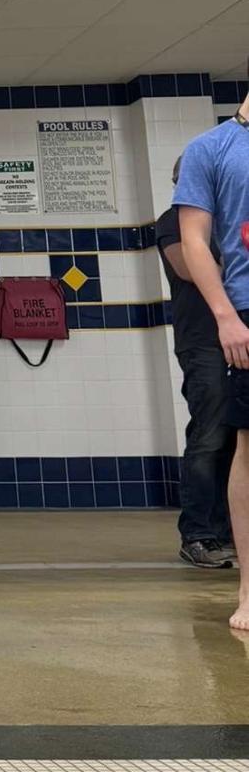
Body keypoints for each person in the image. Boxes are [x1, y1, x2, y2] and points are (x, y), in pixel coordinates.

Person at [173, 84, 249, 633]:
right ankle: (233, 570)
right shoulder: (212, 151)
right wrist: (226, 314)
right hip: (232, 321)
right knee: (228, 441)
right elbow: (189, 250)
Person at [156, 157, 236, 568]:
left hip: (238, 338)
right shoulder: (174, 221)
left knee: (237, 440)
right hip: (203, 342)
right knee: (209, 437)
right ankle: (200, 534)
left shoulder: (232, 218)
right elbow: (192, 268)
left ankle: (230, 531)